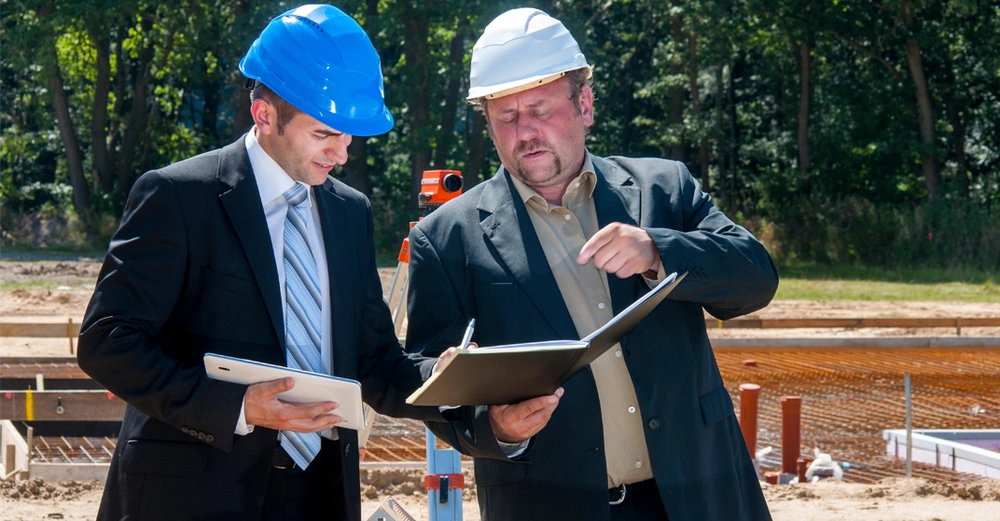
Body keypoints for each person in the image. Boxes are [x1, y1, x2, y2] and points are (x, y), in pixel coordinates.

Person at [404, 8, 778, 521]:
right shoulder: (446, 238)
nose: (526, 132)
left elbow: (756, 279)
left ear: (584, 103)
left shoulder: (663, 190)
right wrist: (496, 427)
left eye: (539, 109)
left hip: (699, 495)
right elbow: (430, 379)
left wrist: (657, 250)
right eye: (507, 117)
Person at [77, 5, 448, 520]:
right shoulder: (179, 197)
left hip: (318, 495)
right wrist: (237, 408)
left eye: (347, 137)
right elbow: (107, 342)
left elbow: (374, 360)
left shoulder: (349, 212)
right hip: (190, 497)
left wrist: (451, 382)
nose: (341, 155)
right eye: (324, 135)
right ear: (265, 115)